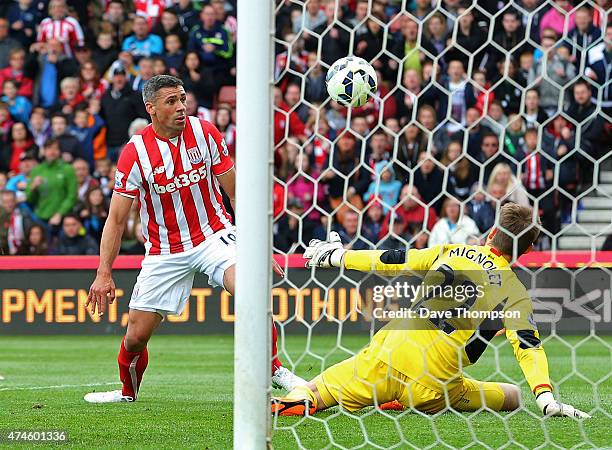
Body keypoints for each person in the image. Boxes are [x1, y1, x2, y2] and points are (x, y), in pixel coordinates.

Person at [83, 75, 304, 404]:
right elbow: (115, 219)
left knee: (250, 286)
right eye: (171, 101)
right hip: (164, 250)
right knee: (135, 338)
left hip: (214, 234)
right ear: (152, 109)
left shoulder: (205, 132)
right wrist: (104, 273)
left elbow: (234, 193)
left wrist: (255, 249)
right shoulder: (135, 153)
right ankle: (128, 393)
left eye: (182, 98)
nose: (181, 107)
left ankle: (272, 367)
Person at [272, 203, 591, 420]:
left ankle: (271, 413)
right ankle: (399, 398)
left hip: (387, 357)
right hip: (435, 386)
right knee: (512, 397)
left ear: (491, 234)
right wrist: (545, 397)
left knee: (313, 392)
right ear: (528, 251)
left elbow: (393, 261)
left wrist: (338, 257)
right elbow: (528, 347)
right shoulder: (515, 292)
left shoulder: (453, 251)